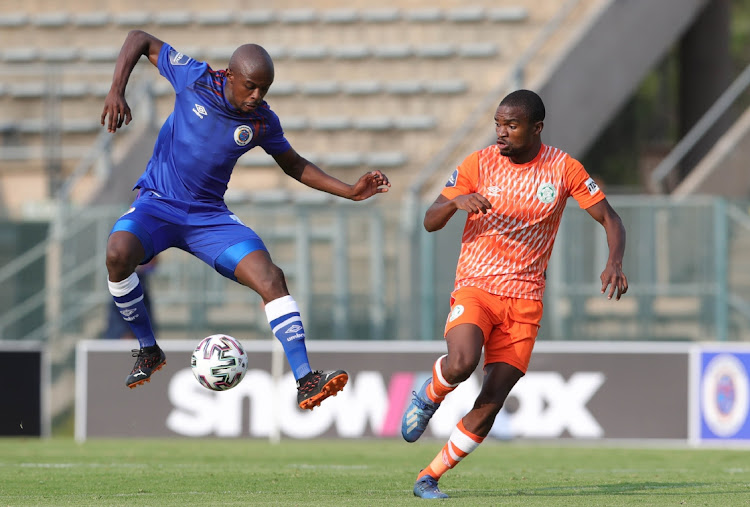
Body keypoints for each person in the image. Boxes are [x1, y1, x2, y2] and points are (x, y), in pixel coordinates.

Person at [101, 30, 390, 410]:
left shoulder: (262, 121)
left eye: (264, 90)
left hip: (209, 218)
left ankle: (305, 379)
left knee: (271, 278)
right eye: (251, 87)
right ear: (231, 76)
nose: (257, 97)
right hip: (158, 204)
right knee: (117, 253)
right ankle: (147, 348)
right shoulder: (196, 78)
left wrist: (350, 190)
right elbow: (139, 39)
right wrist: (116, 89)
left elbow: (294, 165)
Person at [400, 89, 628, 499]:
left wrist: (614, 261)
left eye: (511, 125)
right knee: (461, 362)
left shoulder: (563, 169)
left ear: (536, 127)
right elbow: (430, 220)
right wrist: (456, 202)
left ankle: (429, 476)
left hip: (524, 303)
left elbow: (610, 218)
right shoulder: (478, 163)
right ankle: (429, 395)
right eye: (498, 124)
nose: (501, 133)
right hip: (477, 286)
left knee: (491, 401)